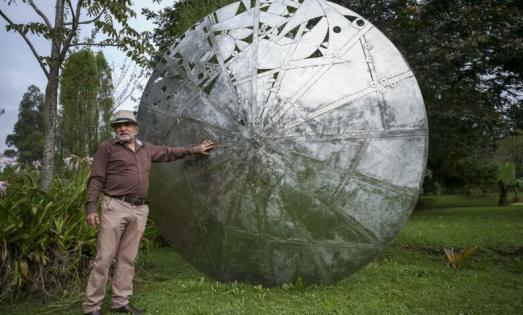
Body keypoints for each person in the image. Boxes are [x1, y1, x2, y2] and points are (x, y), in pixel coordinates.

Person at [82, 110, 215, 315]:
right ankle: (92, 307)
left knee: (127, 258)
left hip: (140, 209)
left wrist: (195, 149)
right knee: (104, 257)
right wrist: (91, 206)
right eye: (119, 125)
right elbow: (96, 178)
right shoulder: (107, 148)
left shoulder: (147, 149)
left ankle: (120, 302)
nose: (123, 128)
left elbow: (170, 152)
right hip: (115, 207)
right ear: (115, 129)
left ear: (136, 128)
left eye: (127, 124)